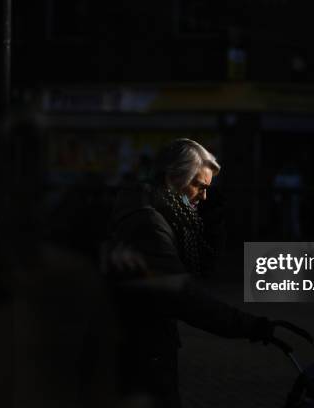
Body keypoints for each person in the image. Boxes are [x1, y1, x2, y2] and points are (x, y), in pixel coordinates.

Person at [106, 138, 295, 408]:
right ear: (173, 178)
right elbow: (185, 297)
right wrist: (251, 326)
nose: (203, 196)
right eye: (199, 186)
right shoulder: (149, 224)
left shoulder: (158, 213)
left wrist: (212, 225)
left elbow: (200, 269)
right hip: (142, 354)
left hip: (141, 349)